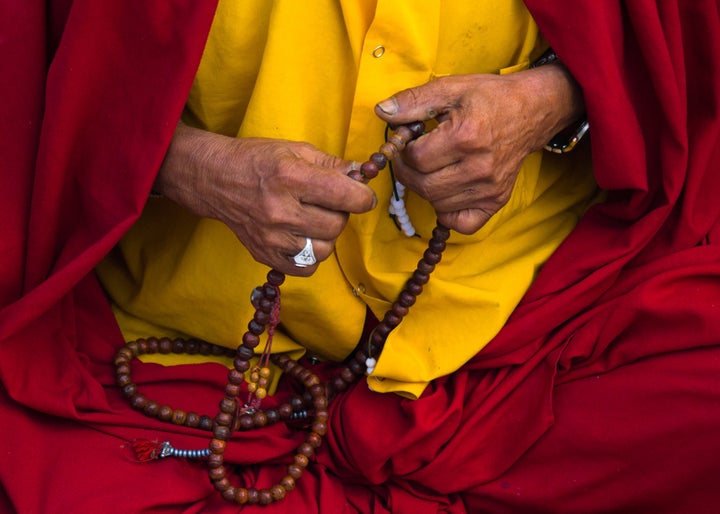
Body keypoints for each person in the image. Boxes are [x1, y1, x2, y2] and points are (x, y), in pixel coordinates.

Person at [1, 1, 719, 513]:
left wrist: (553, 100)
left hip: (533, 319)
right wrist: (194, 168)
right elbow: (29, 78)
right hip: (201, 348)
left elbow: (678, 45)